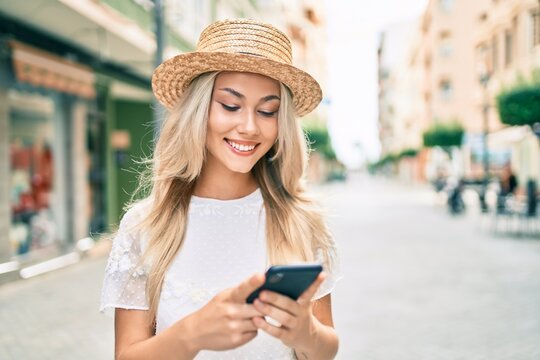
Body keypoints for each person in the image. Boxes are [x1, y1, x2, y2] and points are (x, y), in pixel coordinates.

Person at [100, 19, 340, 360]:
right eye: (230, 105)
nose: (249, 127)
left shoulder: (301, 220)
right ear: (199, 109)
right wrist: (192, 334)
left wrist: (306, 333)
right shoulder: (145, 225)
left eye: (268, 111)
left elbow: (327, 348)